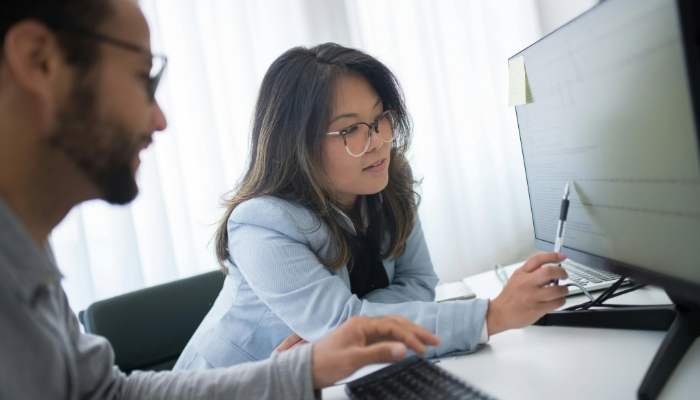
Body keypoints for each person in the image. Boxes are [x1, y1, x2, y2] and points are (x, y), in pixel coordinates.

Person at [0, 1, 443, 399]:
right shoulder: (265, 220)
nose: (159, 119)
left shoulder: (25, 250)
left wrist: (304, 369)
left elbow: (104, 392)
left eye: (379, 120)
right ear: (39, 61)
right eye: (142, 78)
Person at [174, 43, 570, 371]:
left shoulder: (387, 177)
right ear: (297, 144)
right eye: (351, 130)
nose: (379, 140)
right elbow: (342, 327)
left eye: (380, 118)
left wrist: (351, 320)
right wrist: (493, 315)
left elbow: (418, 283)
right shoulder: (261, 224)